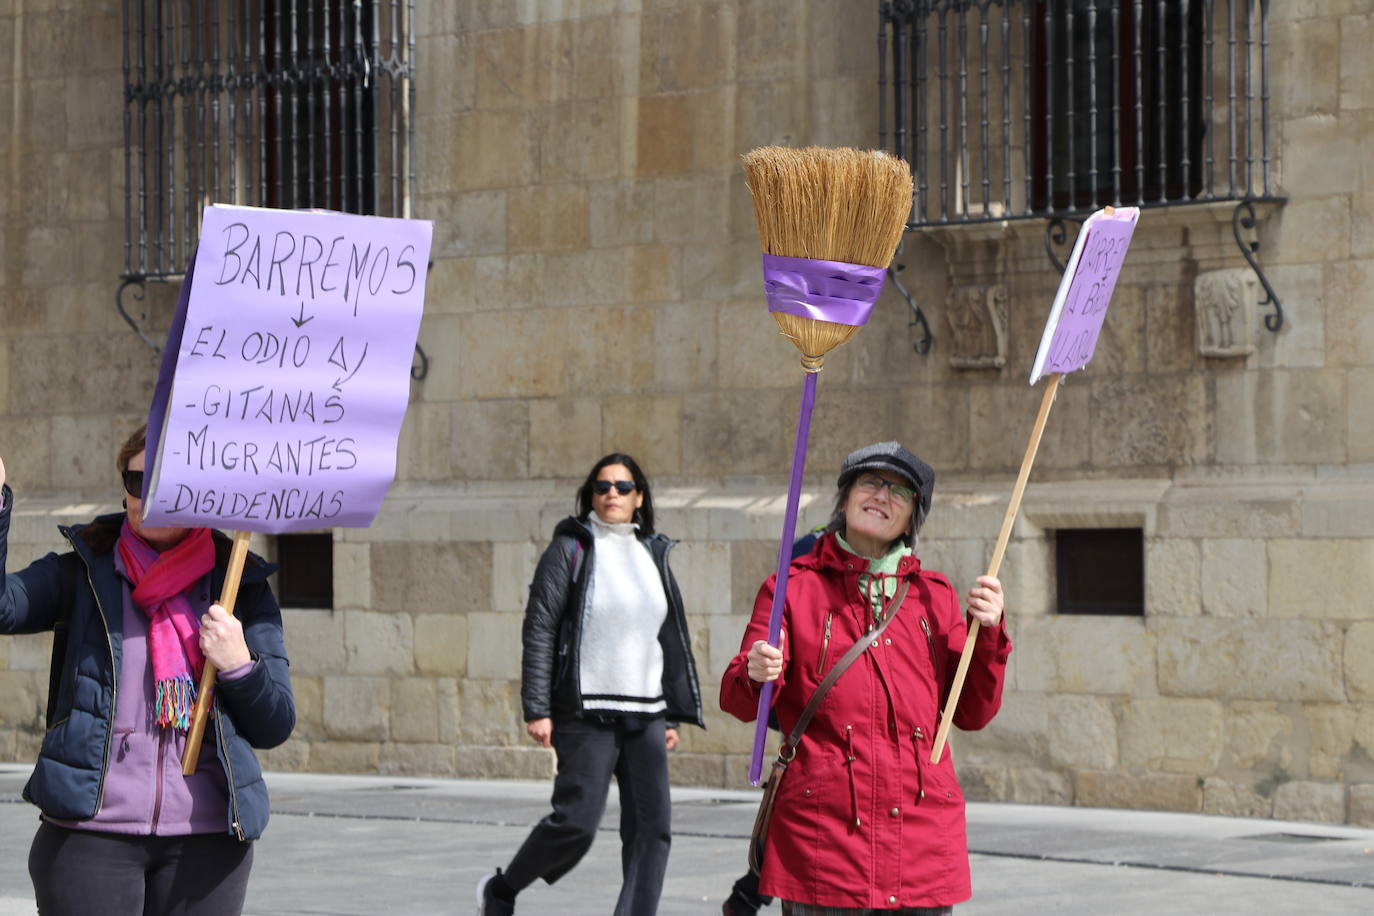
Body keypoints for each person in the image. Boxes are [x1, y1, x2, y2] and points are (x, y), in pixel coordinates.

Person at [0, 425, 295, 916]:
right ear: (123, 487)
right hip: (90, 838)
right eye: (138, 483)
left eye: (168, 483)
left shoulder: (239, 584)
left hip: (207, 846)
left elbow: (274, 724)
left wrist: (240, 665)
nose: (149, 498)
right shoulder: (83, 569)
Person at [720, 442, 1010, 915]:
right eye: (869, 482)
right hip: (825, 841)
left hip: (921, 839)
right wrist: (754, 671)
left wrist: (992, 633)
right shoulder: (791, 586)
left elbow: (974, 711)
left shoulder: (934, 596)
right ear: (845, 498)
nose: (882, 495)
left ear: (914, 516)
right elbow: (739, 700)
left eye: (900, 491)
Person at [477, 453, 704, 916]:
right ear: (591, 495)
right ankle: (503, 888)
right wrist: (537, 707)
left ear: (639, 496)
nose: (612, 495)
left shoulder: (652, 552)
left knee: (651, 829)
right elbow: (540, 627)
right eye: (602, 487)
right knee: (575, 824)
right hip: (585, 712)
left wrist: (674, 713)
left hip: (647, 713)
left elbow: (666, 635)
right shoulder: (571, 548)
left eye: (622, 487)